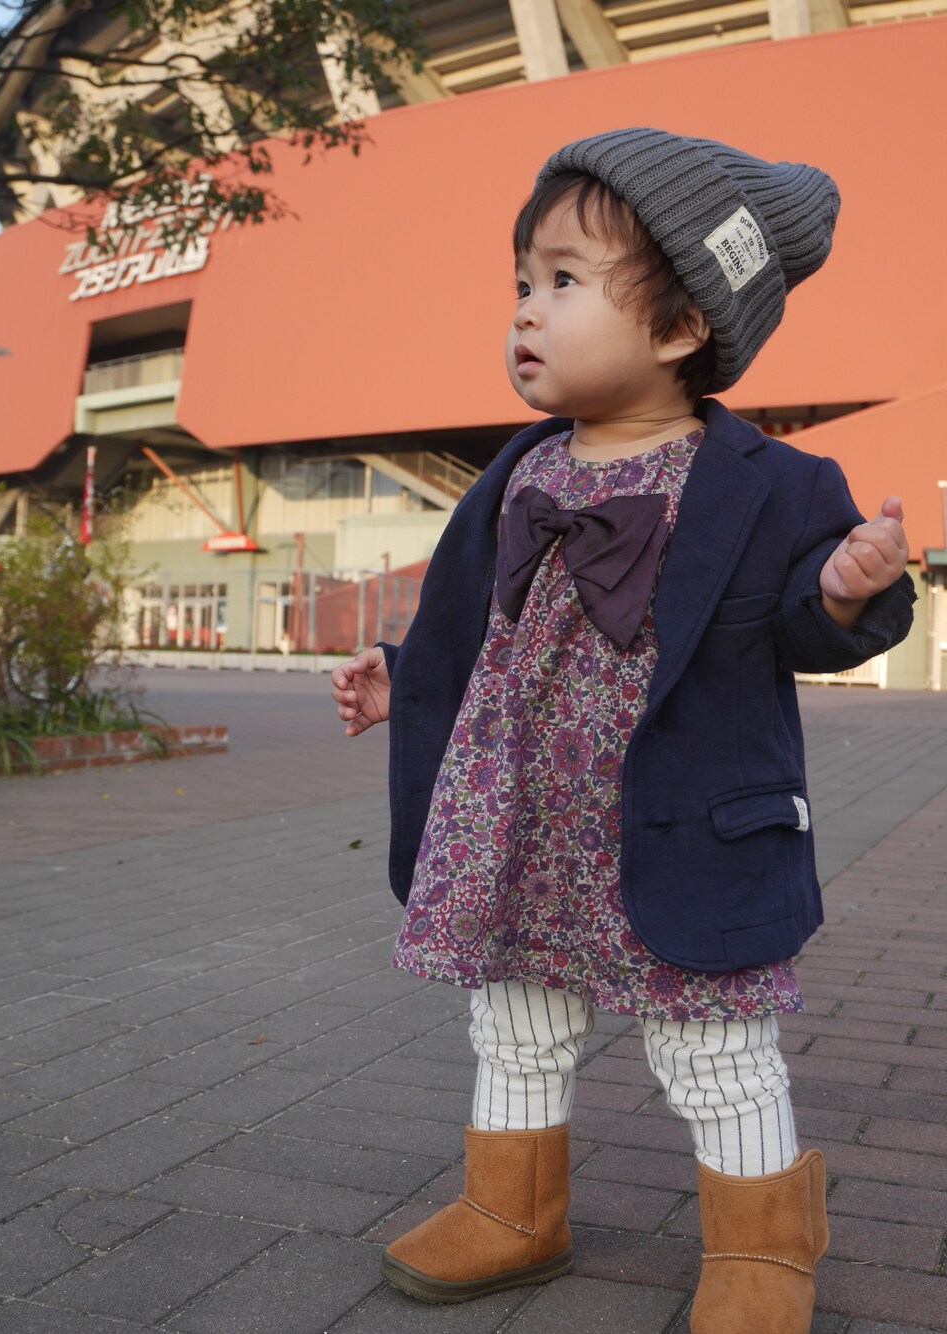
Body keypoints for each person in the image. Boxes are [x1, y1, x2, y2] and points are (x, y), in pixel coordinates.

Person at [331, 127, 914, 1332]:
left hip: (681, 826)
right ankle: (512, 1207)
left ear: (684, 322)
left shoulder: (770, 482)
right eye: (519, 282)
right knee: (516, 1014)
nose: (524, 310)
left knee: (711, 1044)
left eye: (562, 280)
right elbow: (472, 627)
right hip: (524, 822)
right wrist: (403, 679)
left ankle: (762, 1246)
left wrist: (845, 590)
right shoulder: (515, 471)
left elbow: (805, 628)